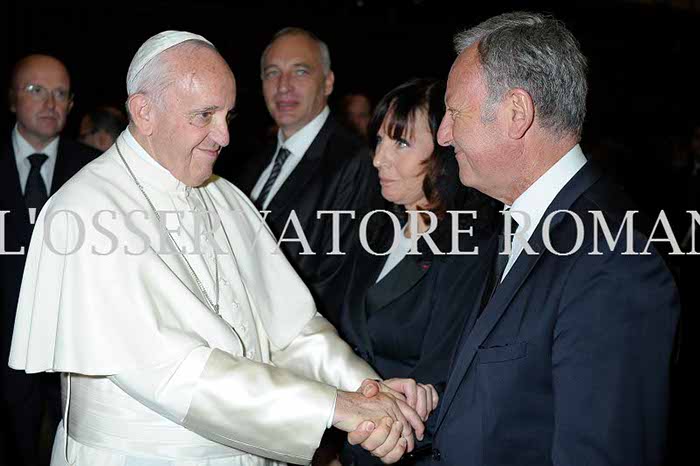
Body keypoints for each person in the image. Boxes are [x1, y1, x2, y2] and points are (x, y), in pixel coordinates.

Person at [8, 31, 436, 466]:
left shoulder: (224, 196)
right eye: (204, 115)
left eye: (227, 115)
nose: (224, 136)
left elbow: (294, 328)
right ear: (144, 111)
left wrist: (367, 389)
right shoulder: (84, 210)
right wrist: (337, 406)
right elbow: (175, 373)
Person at [424, 12, 680, 465]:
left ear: (516, 114)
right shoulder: (523, 220)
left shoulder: (611, 259)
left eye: (453, 112)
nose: (443, 135)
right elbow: (522, 399)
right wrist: (428, 402)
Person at [336, 78, 496, 466]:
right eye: (379, 140)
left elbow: (442, 381)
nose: (378, 159)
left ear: (445, 151)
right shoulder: (374, 227)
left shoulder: (470, 245)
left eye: (401, 143)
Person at [233, 27, 380, 326]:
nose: (283, 86)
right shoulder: (253, 164)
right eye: (272, 73)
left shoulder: (354, 163)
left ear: (327, 83)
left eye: (300, 71)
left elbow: (336, 282)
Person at [1, 54, 98, 466]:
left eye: (61, 94)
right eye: (36, 90)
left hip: (72, 352)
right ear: (12, 99)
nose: (50, 103)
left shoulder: (95, 172)